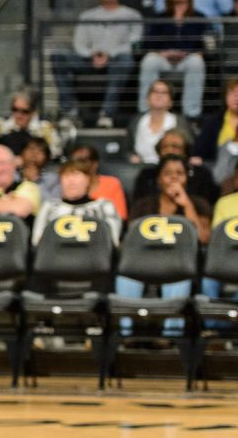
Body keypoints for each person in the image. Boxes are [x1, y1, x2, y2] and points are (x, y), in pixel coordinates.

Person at [116, 155, 212, 335]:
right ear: (159, 178)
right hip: (142, 265)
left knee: (179, 278)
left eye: (179, 173)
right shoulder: (144, 205)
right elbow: (131, 242)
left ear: (187, 178)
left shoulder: (199, 204)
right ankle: (124, 335)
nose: (174, 178)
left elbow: (204, 238)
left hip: (179, 267)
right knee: (124, 277)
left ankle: (172, 338)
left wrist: (187, 205)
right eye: (168, 173)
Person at [51, 0, 141, 128]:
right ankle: (69, 111)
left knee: (125, 60)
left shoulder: (132, 15)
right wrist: (93, 54)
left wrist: (109, 54)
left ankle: (107, 113)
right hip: (89, 61)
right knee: (59, 56)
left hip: (117, 61)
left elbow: (134, 43)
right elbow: (79, 44)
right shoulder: (87, 16)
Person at [141, 0, 207, 121]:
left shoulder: (200, 17)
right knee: (149, 60)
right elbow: (148, 44)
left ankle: (191, 115)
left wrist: (190, 54)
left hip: (188, 61)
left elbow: (206, 46)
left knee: (196, 61)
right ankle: (145, 112)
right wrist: (162, 53)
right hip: (163, 60)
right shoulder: (160, 18)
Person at [31, 159, 122, 246]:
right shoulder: (49, 207)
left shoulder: (104, 206)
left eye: (76, 174)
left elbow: (113, 242)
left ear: (88, 180)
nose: (71, 181)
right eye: (66, 175)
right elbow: (37, 242)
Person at [133, 129, 218, 204]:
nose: (169, 151)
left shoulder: (202, 175)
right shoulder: (147, 176)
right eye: (164, 147)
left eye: (175, 147)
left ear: (186, 151)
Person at [126, 80, 194, 165]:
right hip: (140, 169)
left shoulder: (180, 122)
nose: (159, 95)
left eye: (164, 93)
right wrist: (131, 157)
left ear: (171, 102)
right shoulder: (136, 121)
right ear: (147, 99)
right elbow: (128, 149)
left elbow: (189, 148)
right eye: (155, 91)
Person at [0, 89, 63, 159]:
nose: (18, 115)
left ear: (33, 112)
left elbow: (56, 152)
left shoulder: (45, 128)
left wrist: (26, 160)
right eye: (15, 109)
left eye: (24, 111)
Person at [193, 78, 238, 184]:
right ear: (225, 97)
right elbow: (199, 151)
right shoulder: (212, 122)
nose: (236, 97)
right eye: (232, 93)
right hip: (217, 170)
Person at [67, 143, 128, 221]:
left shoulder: (111, 184)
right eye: (75, 162)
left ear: (95, 164)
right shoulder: (67, 183)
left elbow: (121, 217)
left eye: (84, 161)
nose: (80, 166)